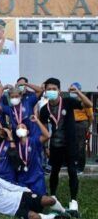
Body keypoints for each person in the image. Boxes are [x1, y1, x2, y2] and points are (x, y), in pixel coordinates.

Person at [39, 78, 93, 212]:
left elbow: (88, 104)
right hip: (55, 146)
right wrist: (45, 147)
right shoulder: (44, 109)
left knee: (72, 172)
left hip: (70, 145)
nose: (51, 91)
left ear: (59, 90)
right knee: (54, 173)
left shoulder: (68, 102)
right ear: (45, 91)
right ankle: (53, 197)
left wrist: (79, 93)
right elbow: (44, 130)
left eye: (54, 89)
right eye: (49, 89)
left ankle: (73, 200)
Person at [0, 166, 70, 219]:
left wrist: (26, 190)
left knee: (50, 200)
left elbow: (10, 186)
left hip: (20, 196)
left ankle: (64, 212)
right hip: (13, 210)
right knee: (35, 217)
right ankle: (54, 217)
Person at [15, 115, 50, 196]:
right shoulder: (16, 146)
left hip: (36, 176)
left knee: (40, 201)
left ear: (27, 131)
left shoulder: (34, 141)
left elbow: (47, 136)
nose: (20, 129)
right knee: (24, 201)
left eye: (23, 127)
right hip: (23, 178)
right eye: (18, 128)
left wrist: (37, 121)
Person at [69, 82, 93, 174]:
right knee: (72, 145)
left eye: (74, 89)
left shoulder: (84, 101)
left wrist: (87, 127)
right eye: (71, 89)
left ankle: (80, 167)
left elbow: (91, 116)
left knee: (80, 146)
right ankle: (72, 163)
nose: (72, 91)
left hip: (81, 124)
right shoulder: (70, 100)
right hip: (71, 124)